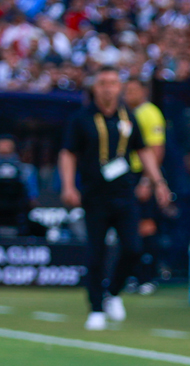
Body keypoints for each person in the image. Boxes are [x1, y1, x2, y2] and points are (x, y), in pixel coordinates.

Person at [59, 66, 172, 331]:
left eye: (112, 83)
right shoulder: (82, 118)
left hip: (124, 193)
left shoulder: (128, 118)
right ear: (95, 88)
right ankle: (96, 308)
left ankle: (113, 292)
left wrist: (157, 182)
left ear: (119, 87)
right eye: (103, 83)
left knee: (133, 248)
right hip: (94, 195)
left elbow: (144, 150)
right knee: (96, 253)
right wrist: (68, 185)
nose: (108, 88)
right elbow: (68, 153)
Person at [123, 79, 167, 294]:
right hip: (127, 174)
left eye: (133, 90)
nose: (128, 93)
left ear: (144, 91)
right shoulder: (126, 113)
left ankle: (148, 276)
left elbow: (156, 149)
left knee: (146, 225)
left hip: (143, 174)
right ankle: (132, 274)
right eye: (127, 90)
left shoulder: (150, 113)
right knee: (129, 225)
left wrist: (148, 181)